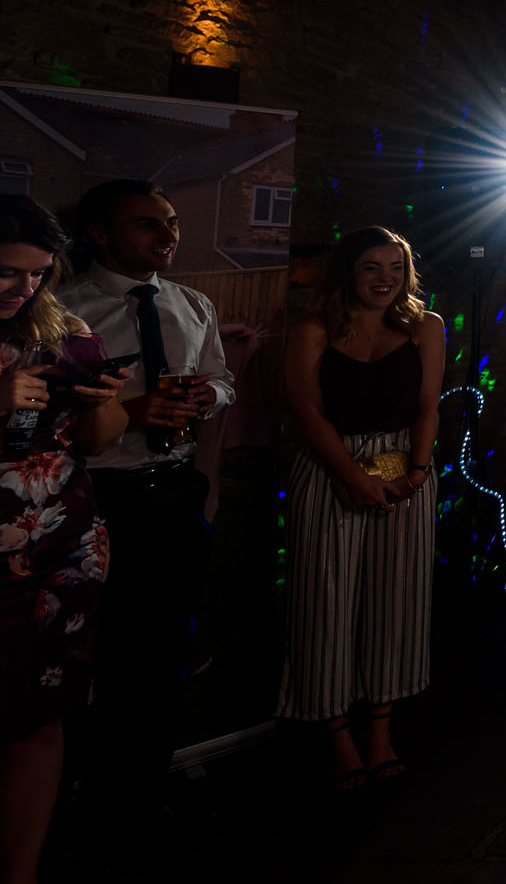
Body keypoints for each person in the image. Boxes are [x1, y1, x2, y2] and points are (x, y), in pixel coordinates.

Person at [55, 180, 233, 810]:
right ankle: (71, 798)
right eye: (147, 225)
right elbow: (47, 422)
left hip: (176, 492)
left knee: (163, 651)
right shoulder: (64, 311)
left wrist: (209, 396)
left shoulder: (192, 304)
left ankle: (139, 792)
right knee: (89, 655)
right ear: (100, 233)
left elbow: (221, 377)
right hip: (97, 497)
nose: (168, 236)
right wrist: (133, 410)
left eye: (174, 222)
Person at [275, 227, 445, 791]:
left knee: (395, 601)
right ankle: (337, 738)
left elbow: (428, 408)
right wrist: (350, 476)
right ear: (347, 271)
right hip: (329, 469)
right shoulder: (312, 329)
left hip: (405, 470)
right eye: (372, 267)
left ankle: (380, 732)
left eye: (396, 267)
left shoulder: (426, 326)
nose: (385, 279)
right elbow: (307, 412)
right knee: (325, 603)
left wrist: (417, 473)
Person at [0, 197, 128, 884]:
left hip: (61, 554)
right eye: (6, 274)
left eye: (37, 276)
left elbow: (97, 445)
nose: (22, 291)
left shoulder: (68, 332)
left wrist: (105, 400)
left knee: (38, 719)